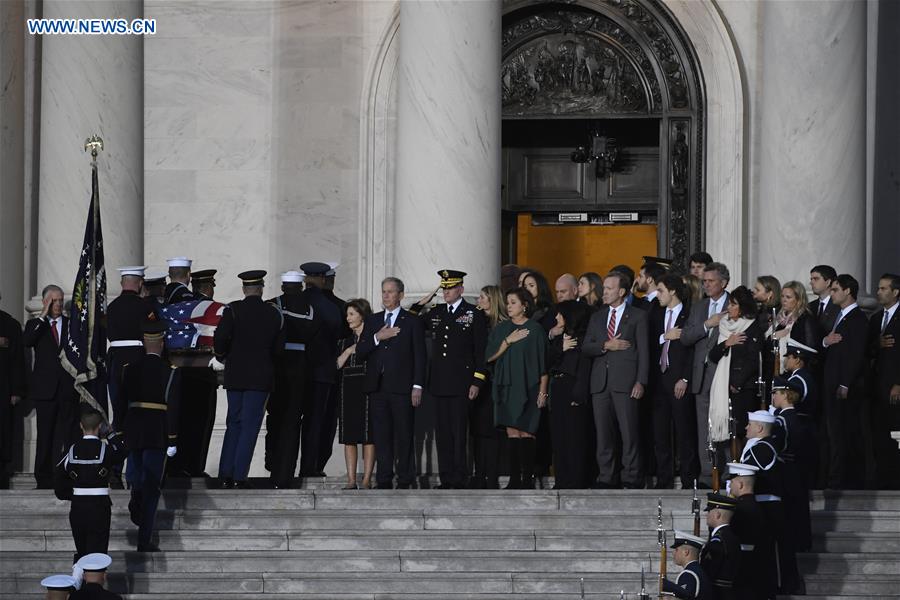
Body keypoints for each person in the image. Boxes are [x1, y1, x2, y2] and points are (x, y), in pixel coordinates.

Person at [409, 270, 488, 489]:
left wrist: (477, 381)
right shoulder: (437, 312)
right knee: (442, 433)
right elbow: (411, 319)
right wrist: (423, 301)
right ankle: (446, 477)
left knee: (459, 433)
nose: (446, 292)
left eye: (450, 288)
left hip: (462, 383)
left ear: (460, 289)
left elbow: (481, 352)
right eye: (443, 288)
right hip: (439, 383)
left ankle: (460, 476)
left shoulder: (473, 313)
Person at [214, 270, 284, 489]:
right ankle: (239, 476)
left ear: (244, 289)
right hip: (261, 376)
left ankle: (225, 473)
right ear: (261, 289)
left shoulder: (233, 310)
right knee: (250, 426)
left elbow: (220, 339)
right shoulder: (274, 313)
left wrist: (222, 356)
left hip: (235, 375)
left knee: (233, 423)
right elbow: (279, 349)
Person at [355, 277, 426, 489]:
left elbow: (419, 356)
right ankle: (384, 479)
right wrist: (378, 337)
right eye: (383, 291)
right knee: (381, 435)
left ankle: (405, 479)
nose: (386, 296)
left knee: (404, 434)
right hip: (378, 387)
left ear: (401, 295)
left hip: (403, 388)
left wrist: (417, 385)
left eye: (390, 292)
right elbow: (361, 352)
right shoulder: (374, 321)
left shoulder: (412, 321)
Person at [582, 272, 648, 489]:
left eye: (609, 288)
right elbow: (587, 346)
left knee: (629, 434)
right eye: (604, 287)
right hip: (600, 384)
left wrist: (641, 381)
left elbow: (644, 352)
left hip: (626, 383)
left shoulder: (637, 316)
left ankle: (631, 477)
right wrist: (606, 345)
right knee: (603, 435)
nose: (605, 292)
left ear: (621, 292)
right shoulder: (597, 316)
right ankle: (606, 477)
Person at [120, 318, 180, 552]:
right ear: (162, 343)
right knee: (152, 487)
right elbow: (174, 407)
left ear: (144, 343)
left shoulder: (129, 369)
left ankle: (135, 496)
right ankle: (144, 540)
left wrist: (122, 428)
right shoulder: (170, 372)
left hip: (134, 427)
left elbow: (121, 401)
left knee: (136, 473)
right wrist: (173, 438)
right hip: (157, 431)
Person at [485, 287, 548, 489]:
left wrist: (543, 391)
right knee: (512, 432)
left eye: (513, 302)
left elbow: (543, 365)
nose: (509, 306)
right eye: (508, 302)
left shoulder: (535, 329)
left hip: (530, 387)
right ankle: (514, 480)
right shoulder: (502, 329)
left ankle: (527, 480)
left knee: (528, 431)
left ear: (525, 305)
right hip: (507, 387)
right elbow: (489, 356)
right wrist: (507, 341)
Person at [266, 270, 319, 489]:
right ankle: (285, 472)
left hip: (278, 365)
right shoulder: (310, 309)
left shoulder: (273, 305)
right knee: (292, 422)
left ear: (282, 287)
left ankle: (272, 465)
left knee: (275, 418)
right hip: (301, 367)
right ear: (300, 288)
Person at [679, 262, 730, 486]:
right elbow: (686, 337)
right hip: (701, 376)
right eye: (705, 281)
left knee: (725, 425)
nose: (706, 285)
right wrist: (708, 324)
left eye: (711, 281)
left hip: (725, 375)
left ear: (724, 283)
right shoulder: (699, 307)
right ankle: (708, 474)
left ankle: (728, 472)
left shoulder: (733, 303)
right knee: (704, 428)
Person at [741, 409, 802, 595]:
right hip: (764, 505)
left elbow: (746, 474)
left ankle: (777, 586)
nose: (746, 427)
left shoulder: (763, 448)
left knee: (771, 551)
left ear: (759, 427)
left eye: (749, 424)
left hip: (768, 507)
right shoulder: (761, 445)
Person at [54, 409, 127, 562]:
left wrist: (73, 494)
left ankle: (81, 584)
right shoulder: (105, 450)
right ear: (100, 427)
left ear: (81, 426)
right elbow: (122, 452)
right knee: (98, 554)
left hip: (78, 506)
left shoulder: (71, 450)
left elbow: (59, 483)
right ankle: (94, 585)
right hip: (99, 507)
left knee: (82, 552)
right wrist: (111, 435)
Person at [106, 267, 156, 487]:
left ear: (122, 283)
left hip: (115, 362)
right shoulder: (145, 306)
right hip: (136, 361)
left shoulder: (111, 307)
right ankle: (135, 471)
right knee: (135, 416)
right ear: (140, 283)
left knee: (118, 417)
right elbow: (153, 332)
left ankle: (115, 469)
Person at [25, 284, 77, 488]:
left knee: (65, 435)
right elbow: (28, 341)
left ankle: (62, 476)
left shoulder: (72, 324)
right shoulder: (36, 325)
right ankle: (43, 478)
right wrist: (42, 316)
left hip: (67, 389)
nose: (58, 304)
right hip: (45, 391)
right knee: (45, 436)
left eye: (60, 300)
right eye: (53, 301)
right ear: (45, 302)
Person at [169, 268, 219, 477]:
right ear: (206, 287)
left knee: (181, 423)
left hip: (180, 374)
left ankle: (180, 465)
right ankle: (194, 466)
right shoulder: (207, 310)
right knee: (201, 424)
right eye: (212, 285)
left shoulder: (178, 308)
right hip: (202, 375)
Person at [821, 274, 868, 489]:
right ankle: (835, 476)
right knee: (833, 433)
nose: (832, 294)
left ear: (847, 291)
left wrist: (845, 383)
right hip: (832, 383)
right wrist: (825, 341)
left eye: (835, 290)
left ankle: (842, 479)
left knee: (843, 433)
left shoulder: (857, 318)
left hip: (844, 386)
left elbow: (856, 354)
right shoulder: (839, 316)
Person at [651, 274, 697, 489]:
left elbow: (694, 352)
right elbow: (648, 341)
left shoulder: (689, 315)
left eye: (660, 290)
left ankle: (688, 478)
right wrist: (665, 337)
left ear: (672, 291)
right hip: (659, 381)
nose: (657, 294)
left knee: (684, 431)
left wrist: (685, 378)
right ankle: (664, 478)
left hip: (679, 380)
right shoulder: (655, 313)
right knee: (660, 433)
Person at [298, 262, 343, 478]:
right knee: (317, 422)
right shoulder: (333, 307)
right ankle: (311, 466)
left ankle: (281, 466)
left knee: (289, 422)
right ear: (324, 279)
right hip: (322, 373)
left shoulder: (291, 302)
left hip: (295, 371)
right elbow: (338, 331)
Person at [707, 286, 764, 456]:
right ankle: (734, 472)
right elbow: (713, 356)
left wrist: (736, 383)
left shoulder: (753, 328)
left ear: (743, 307)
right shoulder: (725, 326)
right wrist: (726, 343)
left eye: (733, 304)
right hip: (726, 387)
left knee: (743, 431)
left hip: (745, 389)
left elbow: (754, 360)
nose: (729, 308)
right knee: (733, 433)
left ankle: (745, 471)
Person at [546, 300, 593, 489]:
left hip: (574, 389)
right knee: (559, 437)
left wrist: (579, 396)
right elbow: (546, 362)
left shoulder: (583, 339)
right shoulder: (560, 339)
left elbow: (584, 368)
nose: (556, 317)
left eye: (560, 314)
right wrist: (560, 347)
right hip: (558, 389)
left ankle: (576, 481)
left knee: (575, 437)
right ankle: (561, 480)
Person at [771, 375, 815, 553]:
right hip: (797, 469)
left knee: (791, 510)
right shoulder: (795, 417)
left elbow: (781, 446)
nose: (773, 397)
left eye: (775, 393)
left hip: (787, 470)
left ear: (784, 395)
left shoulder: (783, 419)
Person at [865, 273, 900, 489]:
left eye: (884, 288)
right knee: (879, 432)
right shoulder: (876, 318)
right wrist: (876, 344)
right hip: (877, 385)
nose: (879, 292)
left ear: (896, 292)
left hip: (894, 386)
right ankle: (883, 477)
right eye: (878, 288)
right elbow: (867, 349)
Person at [470, 285, 507, 489]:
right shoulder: (477, 321)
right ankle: (479, 473)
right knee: (477, 430)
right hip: (478, 382)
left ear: (492, 300)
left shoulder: (502, 325)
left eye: (483, 297)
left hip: (494, 381)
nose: (479, 301)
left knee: (491, 430)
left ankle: (491, 476)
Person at [336, 298, 374, 489]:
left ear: (362, 315)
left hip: (367, 389)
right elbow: (336, 364)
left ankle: (366, 479)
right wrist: (350, 349)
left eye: (352, 314)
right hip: (347, 389)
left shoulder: (373, 339)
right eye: (347, 314)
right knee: (349, 436)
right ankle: (351, 480)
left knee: (368, 436)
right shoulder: (344, 342)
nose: (348, 318)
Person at [726, 462, 775, 600]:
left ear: (740, 484)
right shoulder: (753, 506)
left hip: (746, 569)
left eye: (732, 482)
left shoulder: (742, 509)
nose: (730, 486)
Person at [320, 262, 349, 472]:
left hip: (302, 372)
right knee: (325, 422)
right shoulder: (340, 307)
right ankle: (317, 463)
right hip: (330, 371)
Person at [0, 296, 26, 489]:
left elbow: (18, 361)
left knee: (3, 431)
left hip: (3, 389)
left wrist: (17, 390)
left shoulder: (10, 325)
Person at [700, 493, 741, 600]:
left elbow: (709, 571)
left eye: (709, 511)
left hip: (717, 594)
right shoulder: (732, 537)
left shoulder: (718, 540)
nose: (706, 515)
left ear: (717, 514)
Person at [662, 530, 714, 600]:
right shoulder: (698, 570)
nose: (673, 553)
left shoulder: (689, 574)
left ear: (686, 552)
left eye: (676, 550)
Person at [808, 265, 840, 331]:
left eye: (816, 279)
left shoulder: (839, 306)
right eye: (811, 279)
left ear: (828, 282)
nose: (811, 282)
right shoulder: (809, 307)